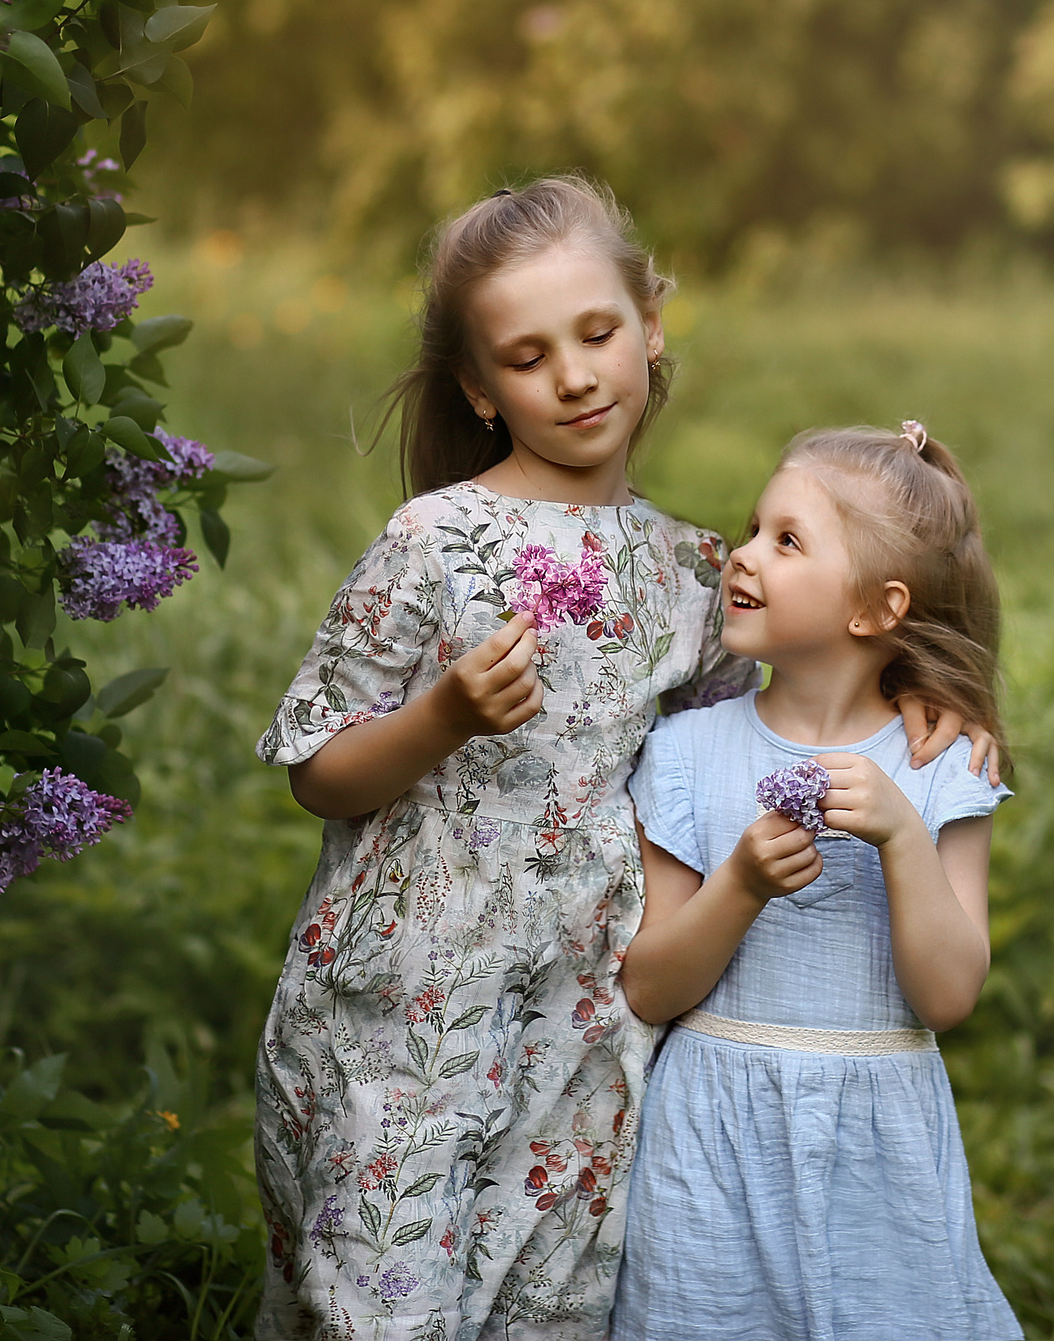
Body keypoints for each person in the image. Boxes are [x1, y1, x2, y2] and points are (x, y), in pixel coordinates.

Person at [252, 179, 988, 1339]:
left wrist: (919, 700)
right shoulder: (433, 543)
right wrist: (443, 717)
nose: (574, 376)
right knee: (383, 1297)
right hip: (411, 997)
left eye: (597, 334)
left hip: (589, 1016)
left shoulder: (693, 574)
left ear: (648, 327)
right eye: (527, 356)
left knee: (547, 1302)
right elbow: (318, 772)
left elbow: (783, 711)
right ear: (479, 389)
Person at [613, 422, 1024, 1341]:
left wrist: (902, 836)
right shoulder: (686, 751)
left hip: (878, 1151)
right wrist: (741, 884)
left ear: (877, 608)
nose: (744, 555)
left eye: (788, 541)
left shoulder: (940, 765)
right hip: (711, 1145)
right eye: (753, 528)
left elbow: (949, 994)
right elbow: (649, 985)